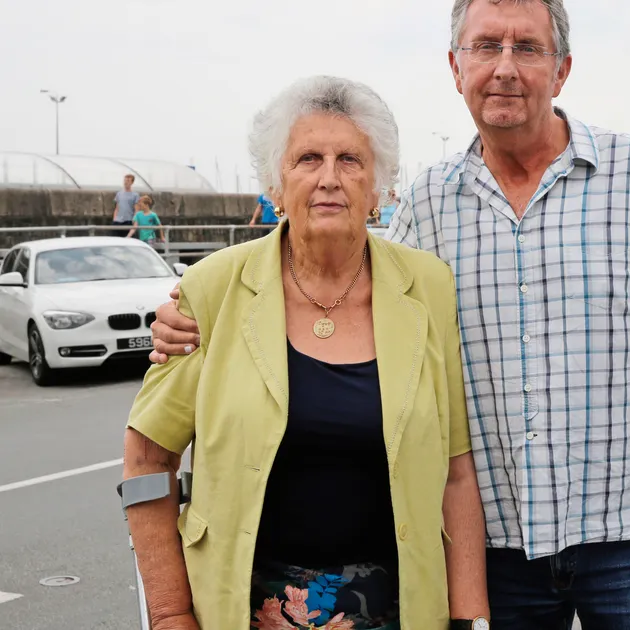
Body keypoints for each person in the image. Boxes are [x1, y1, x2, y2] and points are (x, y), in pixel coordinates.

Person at [150, 1, 630, 628]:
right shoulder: (427, 205)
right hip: (496, 558)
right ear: (456, 68)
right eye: (486, 46)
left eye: (527, 47)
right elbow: (354, 284)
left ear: (562, 69)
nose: (504, 67)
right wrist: (194, 315)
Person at [123, 76, 489, 630]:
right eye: (308, 159)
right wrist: (171, 613)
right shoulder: (213, 289)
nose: (329, 178)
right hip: (246, 608)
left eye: (350, 160)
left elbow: (457, 474)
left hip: (397, 609)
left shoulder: (428, 288)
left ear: (379, 189)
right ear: (276, 184)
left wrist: (471, 619)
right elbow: (147, 459)